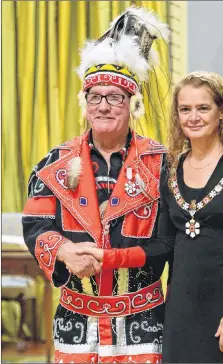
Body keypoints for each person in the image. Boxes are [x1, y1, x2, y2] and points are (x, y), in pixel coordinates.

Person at [78, 71, 223, 363]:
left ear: (222, 112)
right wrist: (108, 257)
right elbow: (164, 244)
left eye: (203, 108)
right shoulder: (170, 167)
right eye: (185, 109)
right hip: (184, 311)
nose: (193, 117)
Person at [22, 7, 173, 363]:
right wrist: (63, 251)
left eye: (115, 97)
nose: (103, 106)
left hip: (143, 321)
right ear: (85, 104)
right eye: (95, 97)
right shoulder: (53, 163)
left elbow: (170, 242)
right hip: (76, 320)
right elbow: (35, 225)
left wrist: (113, 258)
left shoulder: (163, 164)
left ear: (133, 104)